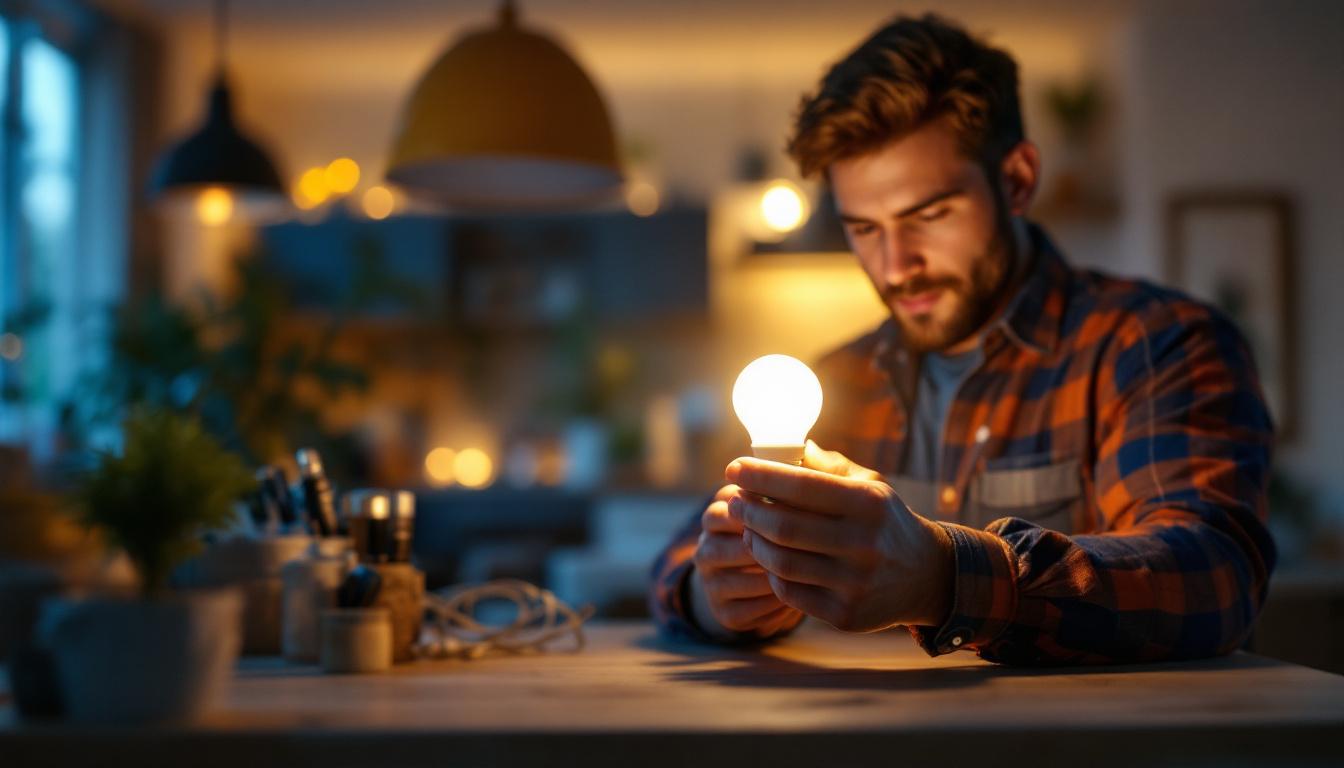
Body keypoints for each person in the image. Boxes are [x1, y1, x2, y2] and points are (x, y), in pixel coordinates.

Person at [649, 13, 1275, 665]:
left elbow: (1211, 579)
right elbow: (680, 559)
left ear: (1018, 180)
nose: (895, 264)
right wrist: (713, 595)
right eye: (864, 228)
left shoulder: (1155, 346)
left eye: (930, 214)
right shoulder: (839, 380)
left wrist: (943, 578)